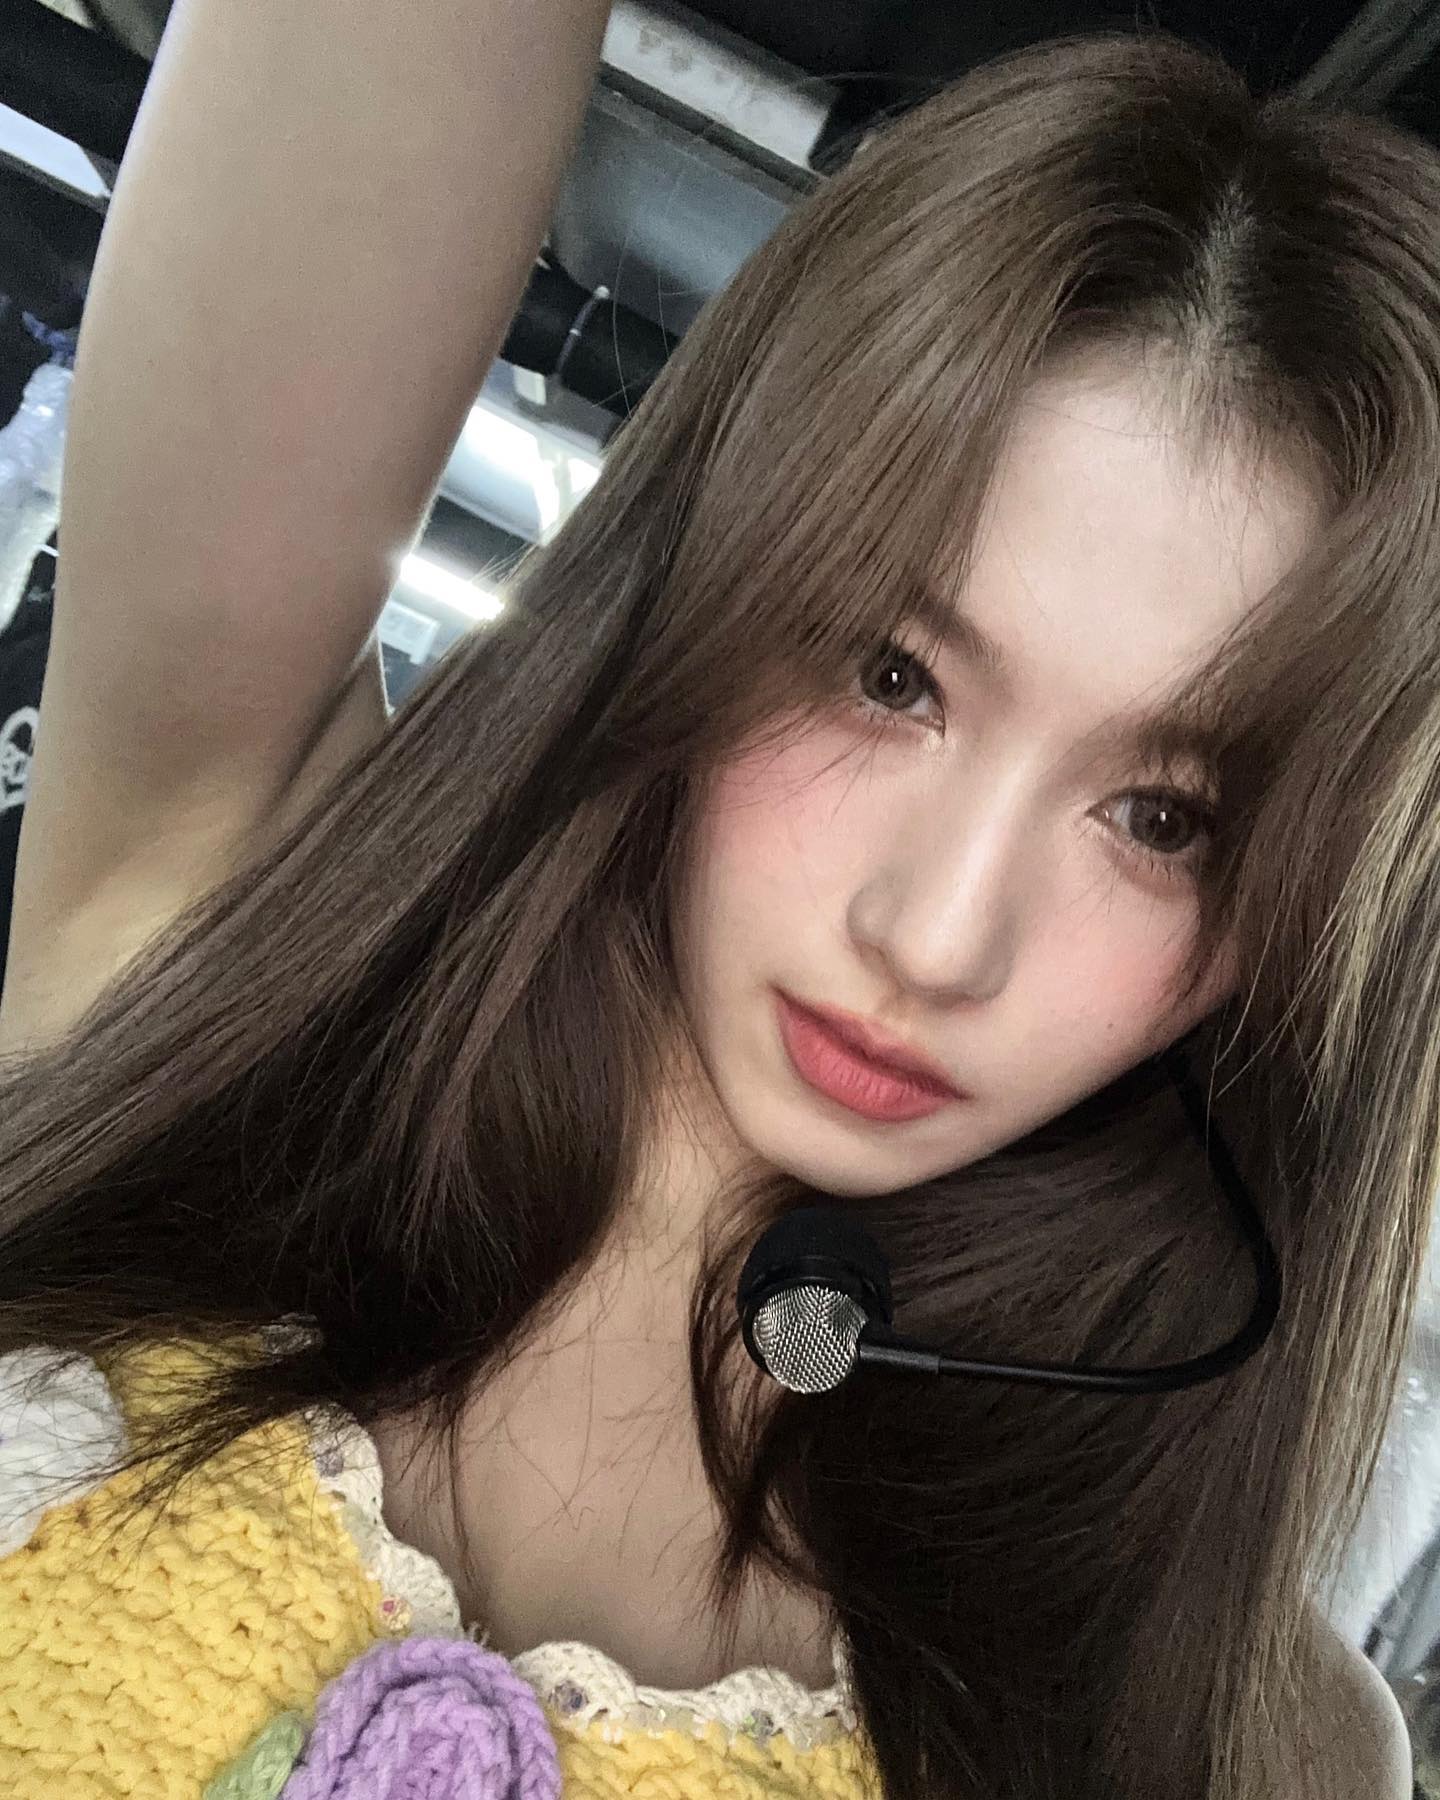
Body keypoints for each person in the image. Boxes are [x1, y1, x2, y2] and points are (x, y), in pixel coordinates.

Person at [0, 3, 1427, 1795]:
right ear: (716, 576)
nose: (935, 938)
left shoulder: (1225, 1736)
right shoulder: (231, 956)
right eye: (892, 678)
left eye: (1162, 818)